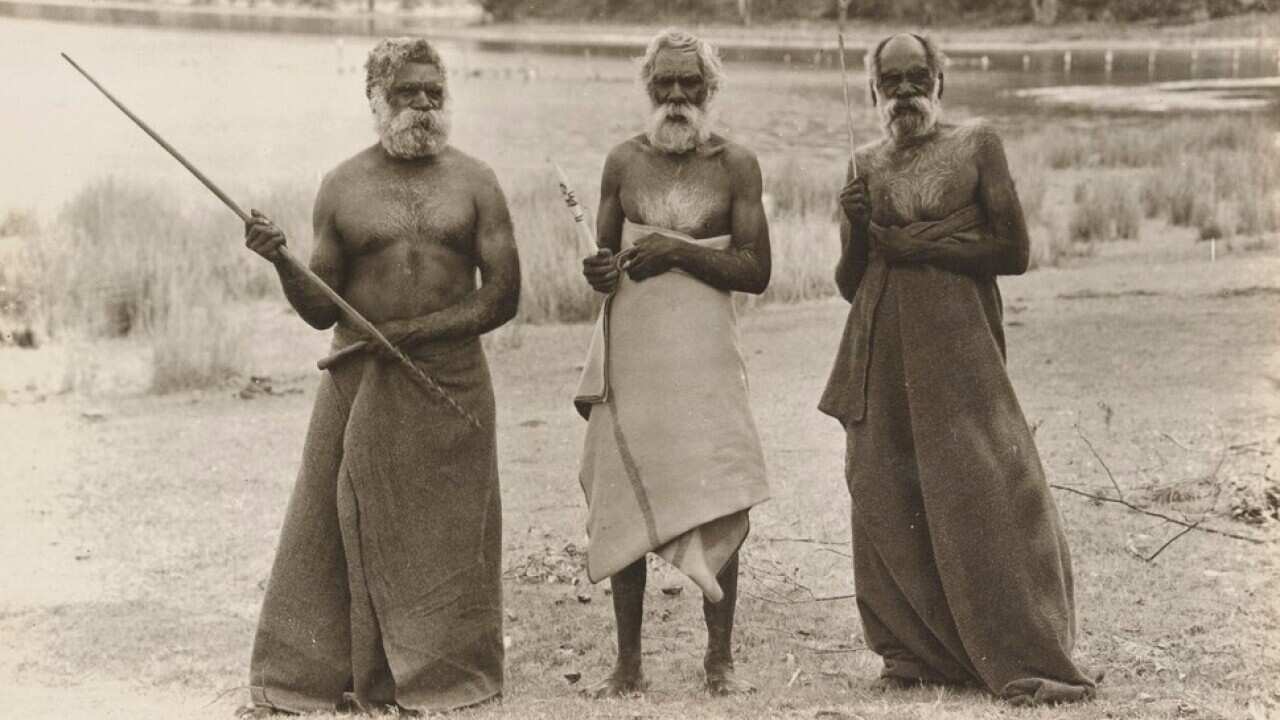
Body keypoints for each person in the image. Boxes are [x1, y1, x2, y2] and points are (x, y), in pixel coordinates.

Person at [238, 37, 520, 716]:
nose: (424, 105)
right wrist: (280, 262)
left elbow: (504, 296)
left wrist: (415, 334)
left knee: (453, 531)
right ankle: (319, 674)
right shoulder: (342, 185)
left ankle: (444, 676)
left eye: (435, 93)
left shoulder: (477, 182)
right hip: (358, 378)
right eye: (407, 93)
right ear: (374, 99)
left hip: (451, 380)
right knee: (335, 521)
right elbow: (317, 309)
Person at [818, 33, 1098, 706]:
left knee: (989, 484)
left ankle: (1029, 650)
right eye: (893, 82)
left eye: (920, 78)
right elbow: (850, 282)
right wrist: (856, 227)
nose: (906, 93)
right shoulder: (863, 163)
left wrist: (924, 243)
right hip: (884, 352)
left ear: (942, 83)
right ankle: (911, 654)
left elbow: (1014, 250)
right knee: (882, 484)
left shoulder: (978, 144)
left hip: (963, 350)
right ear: (872, 93)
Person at [574, 28, 772, 699]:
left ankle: (720, 663)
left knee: (721, 489)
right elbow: (603, 264)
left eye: (692, 84)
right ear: (648, 86)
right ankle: (628, 665)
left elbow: (755, 270)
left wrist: (678, 251)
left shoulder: (736, 165)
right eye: (666, 83)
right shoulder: (621, 163)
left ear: (710, 90)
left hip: (708, 359)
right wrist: (600, 269)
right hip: (633, 358)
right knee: (627, 491)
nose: (679, 96)